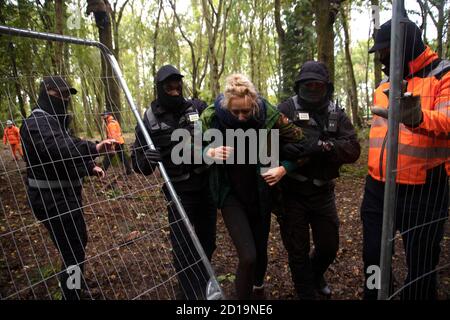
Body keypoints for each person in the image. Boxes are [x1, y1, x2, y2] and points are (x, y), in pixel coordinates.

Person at [362, 18, 450, 300]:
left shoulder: (443, 74)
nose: (383, 58)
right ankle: (376, 293)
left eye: (386, 51)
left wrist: (419, 118)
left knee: (421, 261)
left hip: (425, 187)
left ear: (405, 45)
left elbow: (448, 121)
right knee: (374, 254)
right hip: (377, 185)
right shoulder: (385, 82)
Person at [200, 73, 304, 299]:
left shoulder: (269, 115)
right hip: (230, 194)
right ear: (226, 104)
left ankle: (258, 288)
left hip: (260, 191)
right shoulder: (211, 117)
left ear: (254, 103)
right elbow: (190, 148)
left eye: (245, 111)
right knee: (248, 256)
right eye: (234, 111)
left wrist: (284, 167)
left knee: (260, 251)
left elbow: (302, 141)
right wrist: (209, 152)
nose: (239, 117)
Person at [20, 76, 116, 300]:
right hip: (50, 197)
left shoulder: (56, 123)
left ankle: (74, 287)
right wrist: (94, 147)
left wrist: (88, 167)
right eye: (59, 95)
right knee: (72, 249)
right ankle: (71, 294)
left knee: (75, 246)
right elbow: (60, 149)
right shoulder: (36, 123)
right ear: (46, 94)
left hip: (66, 194)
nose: (64, 100)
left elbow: (66, 157)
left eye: (66, 96)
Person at [277, 61, 361, 299]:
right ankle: (306, 292)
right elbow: (266, 144)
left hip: (323, 192)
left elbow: (353, 149)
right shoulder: (286, 109)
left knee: (328, 246)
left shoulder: (336, 112)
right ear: (299, 86)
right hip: (292, 191)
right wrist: (288, 151)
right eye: (308, 85)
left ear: (327, 87)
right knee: (297, 250)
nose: (313, 89)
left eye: (318, 85)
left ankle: (316, 274)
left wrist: (324, 147)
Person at [132, 65, 217, 300]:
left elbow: (219, 126)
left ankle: (204, 279)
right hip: (178, 190)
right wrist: (145, 160)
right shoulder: (147, 120)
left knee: (208, 240)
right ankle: (188, 293)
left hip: (205, 186)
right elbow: (136, 163)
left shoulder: (197, 108)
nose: (174, 87)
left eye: (177, 82)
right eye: (168, 84)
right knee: (183, 245)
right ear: (160, 87)